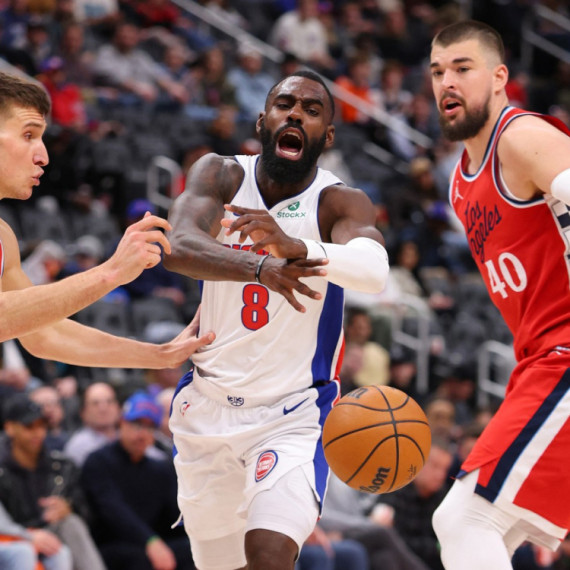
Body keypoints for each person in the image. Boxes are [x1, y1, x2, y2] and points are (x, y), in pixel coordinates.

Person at [163, 69, 389, 570]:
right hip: (207, 408)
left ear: (328, 136)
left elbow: (374, 272)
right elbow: (177, 247)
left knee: (269, 555)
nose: (296, 114)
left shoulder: (338, 202)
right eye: (285, 105)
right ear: (262, 121)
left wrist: (300, 247)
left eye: (312, 110)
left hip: (293, 414)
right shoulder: (221, 175)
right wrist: (261, 267)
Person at [428, 20, 570, 570]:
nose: (447, 82)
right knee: (490, 532)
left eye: (462, 68)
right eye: (438, 72)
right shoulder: (460, 183)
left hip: (563, 355)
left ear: (499, 77)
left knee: (465, 519)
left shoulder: (522, 137)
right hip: (538, 359)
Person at [0, 71, 213, 379]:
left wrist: (159, 355)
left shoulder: (4, 235)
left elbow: (43, 333)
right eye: (28, 135)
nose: (43, 156)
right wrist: (111, 272)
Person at [81, 391, 195, 570]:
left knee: (196, 549)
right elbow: (113, 510)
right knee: (138, 559)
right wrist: (150, 541)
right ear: (121, 423)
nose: (142, 434)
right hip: (111, 545)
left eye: (149, 428)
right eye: (136, 425)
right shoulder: (98, 461)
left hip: (154, 542)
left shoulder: (161, 469)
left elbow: (177, 513)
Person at [0, 392, 105, 570]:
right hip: (12, 538)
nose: (38, 433)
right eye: (29, 426)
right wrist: (28, 535)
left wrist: (69, 507)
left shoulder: (63, 466)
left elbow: (91, 513)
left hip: (51, 535)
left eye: (42, 426)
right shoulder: (2, 471)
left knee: (69, 525)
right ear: (10, 428)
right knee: (27, 552)